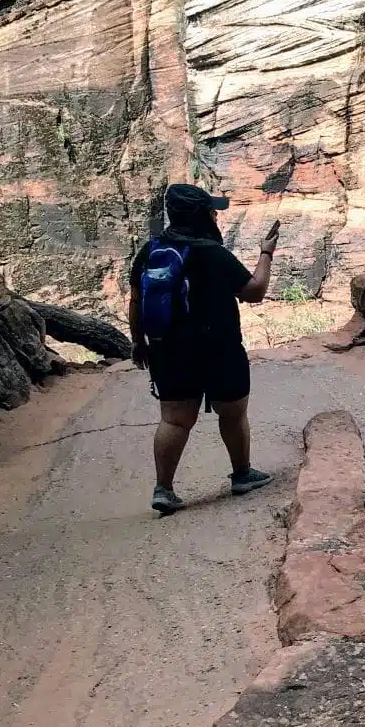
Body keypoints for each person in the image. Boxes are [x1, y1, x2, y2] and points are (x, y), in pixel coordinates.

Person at [129, 182, 279, 516]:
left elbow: (136, 300)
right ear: (200, 215)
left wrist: (139, 341)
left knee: (174, 420)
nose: (215, 215)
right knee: (233, 412)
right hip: (219, 347)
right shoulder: (213, 253)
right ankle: (242, 474)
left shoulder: (151, 250)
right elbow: (254, 291)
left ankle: (164, 489)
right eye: (211, 210)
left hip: (169, 350)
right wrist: (266, 253)